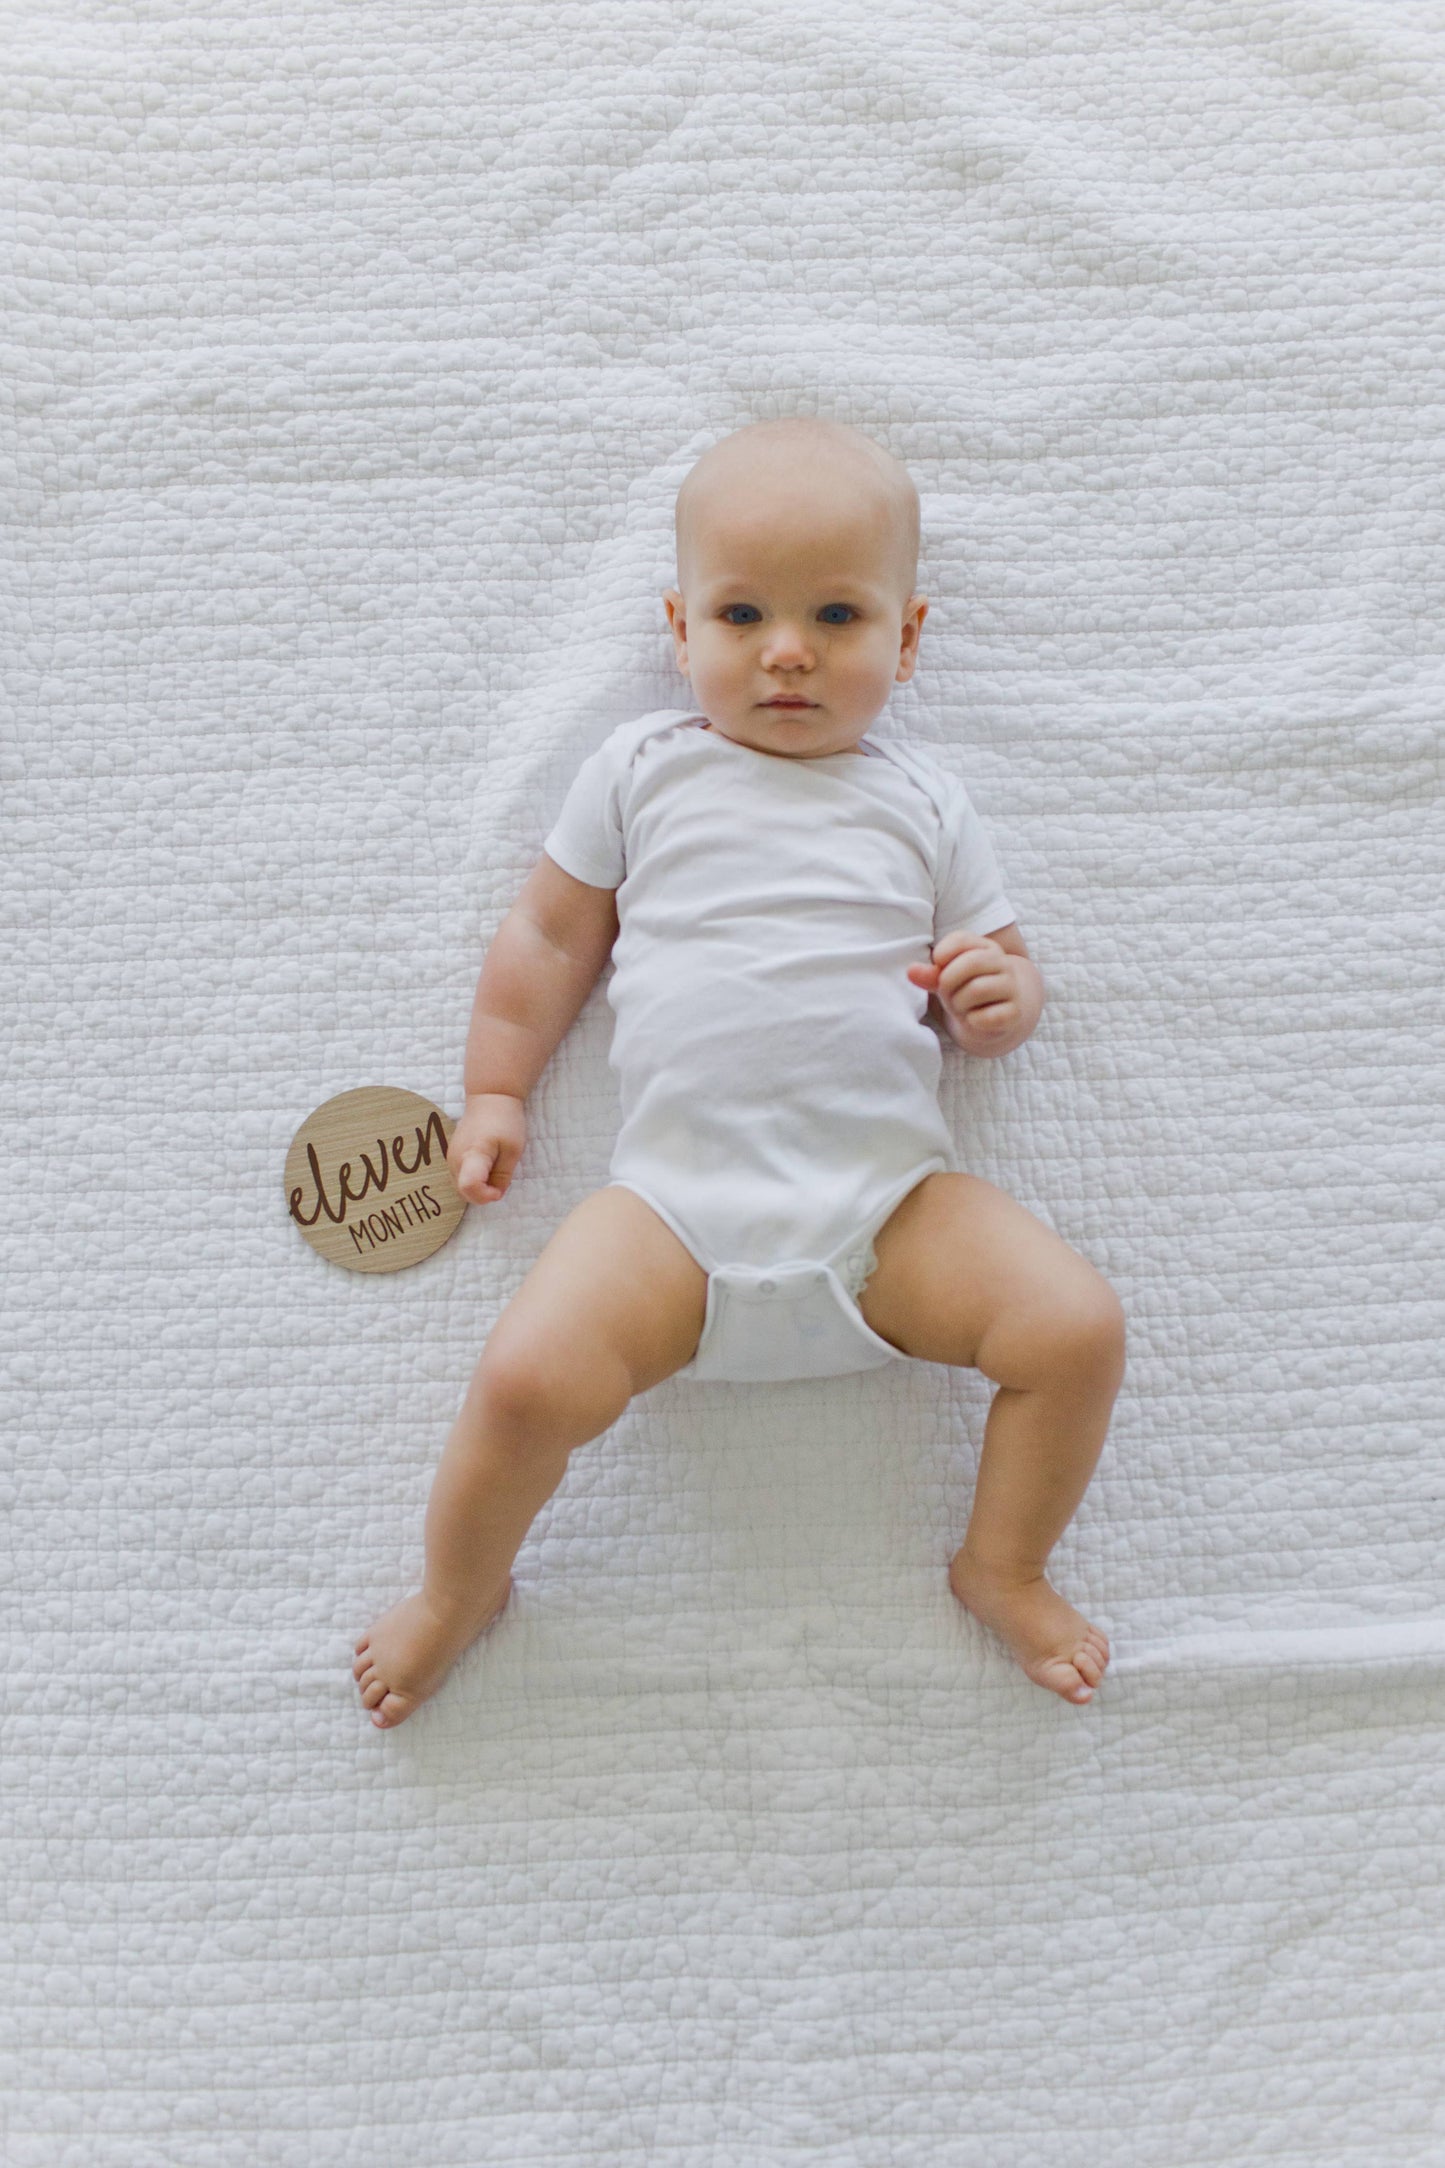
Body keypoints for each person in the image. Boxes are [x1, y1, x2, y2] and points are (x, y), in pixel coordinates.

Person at [353, 416, 1126, 1730]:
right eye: (741, 612)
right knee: (524, 1383)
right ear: (678, 627)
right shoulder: (642, 771)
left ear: (908, 637)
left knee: (1074, 1331)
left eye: (835, 613)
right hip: (671, 1219)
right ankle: (456, 1589)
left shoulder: (921, 799)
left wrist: (1003, 1002)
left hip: (886, 1213)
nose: (785, 651)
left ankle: (1000, 1564)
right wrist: (493, 1088)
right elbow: (546, 938)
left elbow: (994, 965)